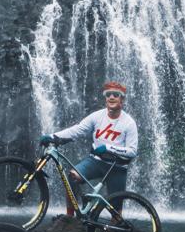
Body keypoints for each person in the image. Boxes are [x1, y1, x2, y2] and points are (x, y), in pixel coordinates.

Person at [41, 80, 138, 214]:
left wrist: (108, 148)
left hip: (117, 166)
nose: (111, 97)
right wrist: (53, 136)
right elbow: (77, 130)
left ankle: (114, 223)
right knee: (72, 177)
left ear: (122, 99)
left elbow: (132, 151)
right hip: (96, 161)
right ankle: (70, 218)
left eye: (115, 95)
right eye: (108, 94)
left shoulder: (129, 123)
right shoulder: (97, 116)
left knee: (116, 212)